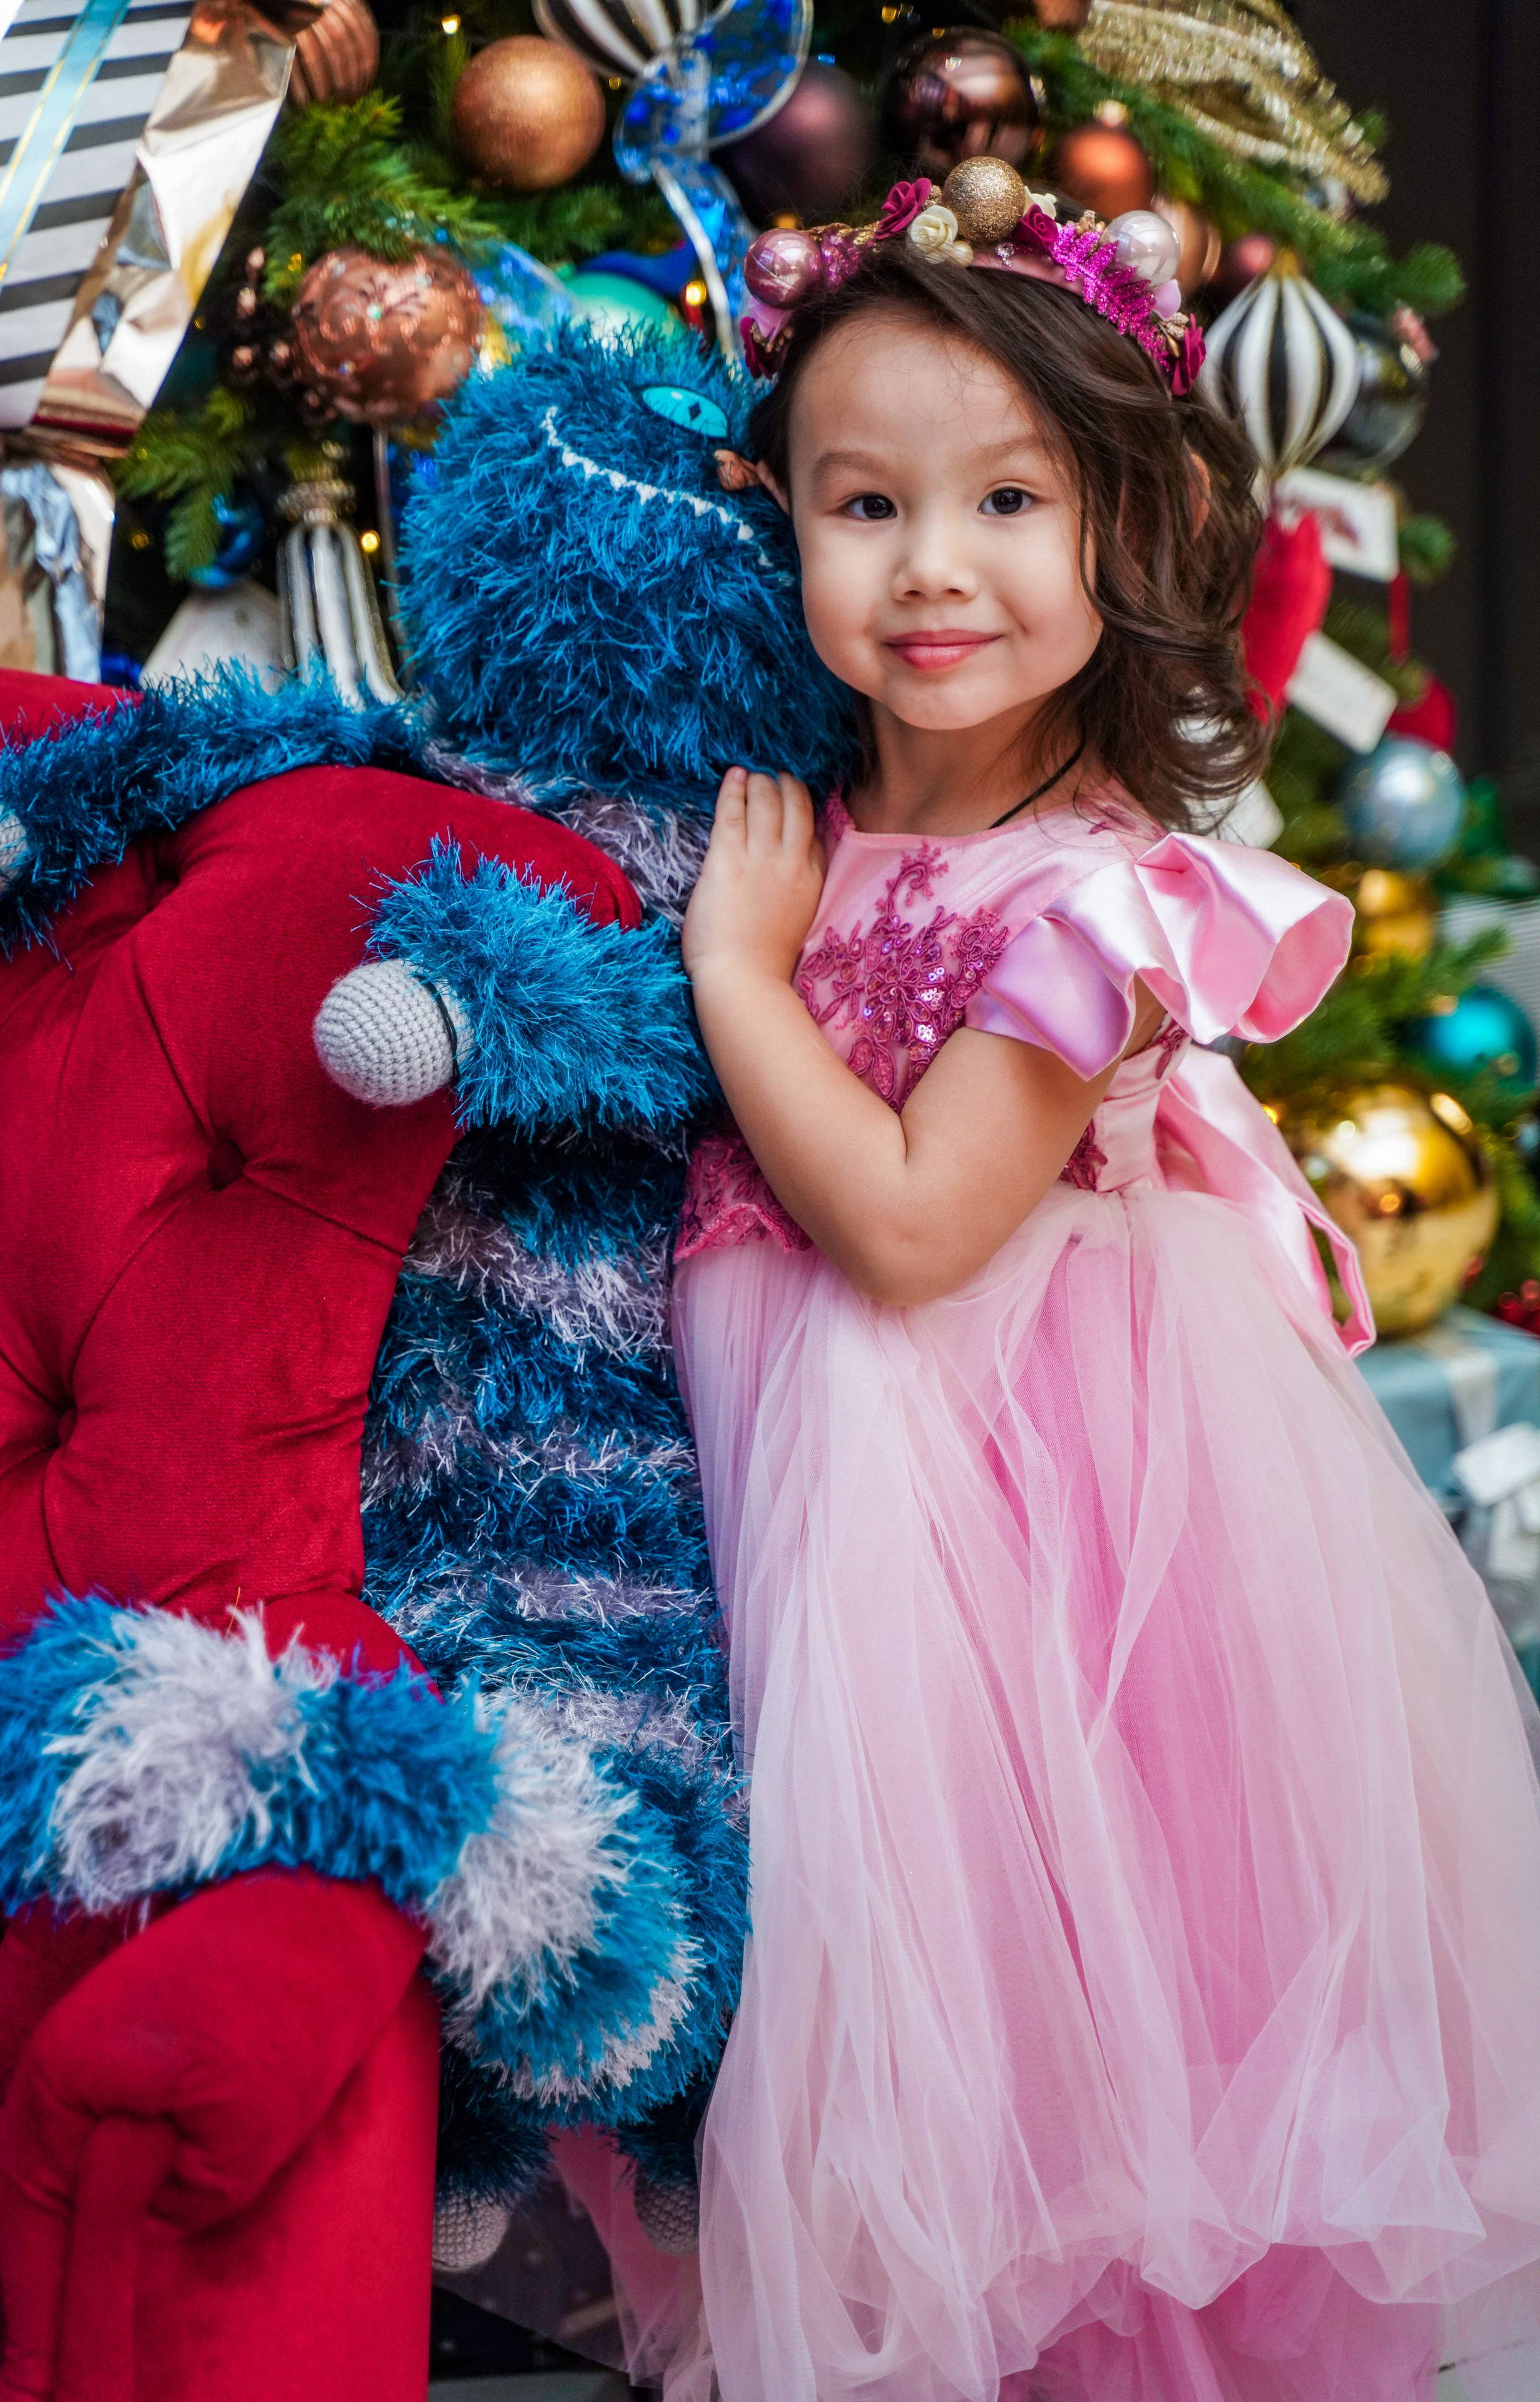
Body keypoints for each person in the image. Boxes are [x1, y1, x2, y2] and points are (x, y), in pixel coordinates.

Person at [664, 174, 1540, 2402]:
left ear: (1122, 529)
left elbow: (918, 1225)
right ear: (783, 520)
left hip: (1024, 1518)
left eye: (1007, 500)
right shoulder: (799, 810)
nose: (932, 563)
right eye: (865, 502)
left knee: (1038, 2050)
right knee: (817, 2015)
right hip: (777, 1494)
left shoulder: (1105, 902)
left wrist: (736, 976)